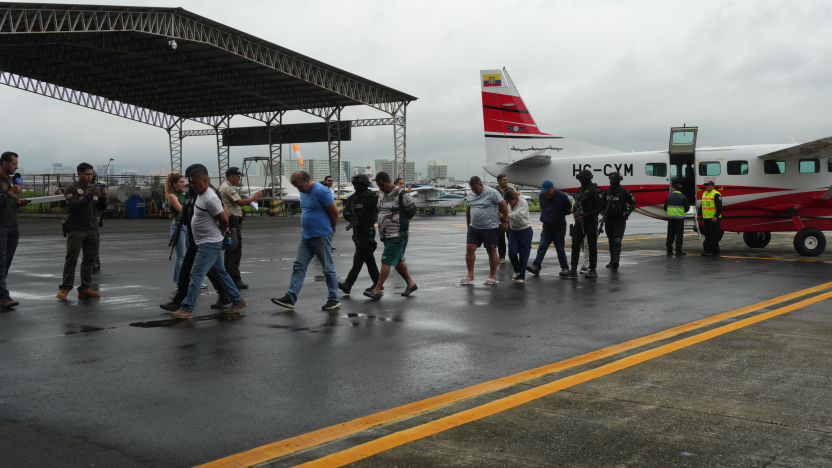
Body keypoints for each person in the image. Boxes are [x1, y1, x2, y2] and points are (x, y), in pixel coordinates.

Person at [169, 168, 246, 320]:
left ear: (205, 181)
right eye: (190, 183)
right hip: (206, 241)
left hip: (209, 243)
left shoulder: (210, 197)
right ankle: (238, 300)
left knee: (195, 275)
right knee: (222, 274)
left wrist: (223, 232)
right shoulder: (201, 195)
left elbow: (224, 218)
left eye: (195, 183)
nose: (192, 186)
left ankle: (186, 308)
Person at [160, 164, 232, 312]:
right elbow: (186, 211)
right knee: (214, 270)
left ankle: (181, 302)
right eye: (188, 180)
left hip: (206, 238)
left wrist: (223, 231)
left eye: (192, 180)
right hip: (195, 235)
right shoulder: (192, 193)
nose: (189, 184)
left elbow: (223, 210)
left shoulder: (209, 192)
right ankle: (229, 295)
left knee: (189, 269)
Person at [271, 171, 341, 310]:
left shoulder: (322, 192)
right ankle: (290, 297)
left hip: (321, 236)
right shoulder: (304, 191)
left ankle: (334, 299)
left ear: (307, 180)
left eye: (300, 186)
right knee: (298, 266)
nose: (299, 189)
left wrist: (332, 228)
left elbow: (334, 212)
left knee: (327, 269)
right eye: (296, 187)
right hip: (306, 236)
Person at [57, 162, 108, 300]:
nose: (89, 177)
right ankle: (65, 288)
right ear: (79, 174)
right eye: (87, 174)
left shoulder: (94, 188)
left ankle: (85, 287)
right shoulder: (71, 188)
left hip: (92, 228)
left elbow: (101, 207)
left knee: (90, 260)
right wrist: (90, 195)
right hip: (77, 229)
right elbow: (75, 206)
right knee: (71, 259)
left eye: (91, 174)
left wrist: (103, 196)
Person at [363, 172, 417, 299]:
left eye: (382, 185)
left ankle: (376, 290)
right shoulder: (381, 193)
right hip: (386, 235)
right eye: (378, 186)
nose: (380, 188)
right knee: (397, 261)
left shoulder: (401, 193)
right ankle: (411, 284)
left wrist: (403, 222)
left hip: (397, 234)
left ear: (388, 181)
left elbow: (413, 210)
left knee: (386, 260)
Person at [218, 167, 262, 290]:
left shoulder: (225, 187)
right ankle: (235, 278)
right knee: (235, 249)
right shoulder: (228, 188)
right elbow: (240, 202)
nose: (239, 179)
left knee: (230, 249)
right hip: (233, 221)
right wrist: (255, 196)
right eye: (238, 176)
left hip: (231, 221)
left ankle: (228, 276)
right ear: (232, 176)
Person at [462, 176, 508, 285]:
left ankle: (493, 276)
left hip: (490, 227)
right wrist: (468, 225)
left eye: (476, 188)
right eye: (473, 189)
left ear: (481, 185)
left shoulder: (492, 192)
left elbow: (504, 206)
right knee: (469, 248)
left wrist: (505, 221)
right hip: (475, 227)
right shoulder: (471, 195)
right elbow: (469, 210)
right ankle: (470, 275)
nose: (475, 191)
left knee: (491, 251)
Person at [339, 174, 380, 295]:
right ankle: (378, 283)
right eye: (355, 184)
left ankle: (348, 284)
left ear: (364, 185)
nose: (356, 186)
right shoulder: (351, 198)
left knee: (359, 257)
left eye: (359, 184)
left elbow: (379, 209)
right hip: (356, 230)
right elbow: (346, 211)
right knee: (368, 258)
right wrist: (348, 215)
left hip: (367, 230)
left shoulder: (372, 197)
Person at [0, 151, 29, 308]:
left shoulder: (10, 180)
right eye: (14, 164)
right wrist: (11, 192)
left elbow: (6, 201)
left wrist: (17, 202)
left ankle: (1, 294)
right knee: (1, 263)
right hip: (1, 227)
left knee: (7, 262)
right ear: (5, 163)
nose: (16, 166)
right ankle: (4, 297)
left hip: (12, 226)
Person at [527, 180, 572, 277]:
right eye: (544, 191)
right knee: (542, 247)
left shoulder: (561, 196)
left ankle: (565, 268)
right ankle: (536, 266)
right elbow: (543, 209)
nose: (546, 193)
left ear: (553, 188)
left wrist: (558, 214)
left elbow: (568, 208)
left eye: (548, 191)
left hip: (559, 227)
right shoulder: (541, 196)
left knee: (560, 249)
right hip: (547, 227)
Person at [569, 169, 604, 279]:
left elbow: (599, 207)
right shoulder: (579, 190)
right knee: (575, 245)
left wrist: (587, 214)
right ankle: (573, 268)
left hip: (591, 221)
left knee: (592, 245)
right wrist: (576, 210)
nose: (580, 181)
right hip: (579, 221)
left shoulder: (595, 190)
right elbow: (576, 204)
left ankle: (592, 269)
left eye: (581, 178)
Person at [602, 172, 636, 270]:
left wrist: (628, 212)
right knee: (611, 241)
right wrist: (602, 212)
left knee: (617, 240)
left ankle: (616, 260)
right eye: (611, 180)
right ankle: (612, 260)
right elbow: (601, 205)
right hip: (608, 220)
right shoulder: (606, 192)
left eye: (614, 180)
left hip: (620, 220)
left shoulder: (624, 192)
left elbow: (633, 203)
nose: (612, 182)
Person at [504, 190, 532, 284]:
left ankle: (521, 276)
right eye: (508, 202)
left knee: (523, 255)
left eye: (511, 202)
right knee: (512, 252)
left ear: (516, 198)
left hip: (525, 230)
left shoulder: (523, 203)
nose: (510, 204)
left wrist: (505, 216)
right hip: (513, 230)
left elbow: (518, 216)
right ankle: (517, 270)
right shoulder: (509, 203)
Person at [165, 172, 187, 285]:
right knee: (181, 256)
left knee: (190, 255)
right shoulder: (172, 196)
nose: (184, 184)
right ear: (174, 184)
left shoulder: (183, 194)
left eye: (184, 181)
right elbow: (181, 210)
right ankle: (180, 281)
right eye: (181, 182)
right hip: (179, 226)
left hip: (188, 225)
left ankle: (190, 280)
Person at [664, 182, 690, 256]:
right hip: (680, 219)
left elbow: (665, 208)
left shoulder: (669, 197)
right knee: (679, 235)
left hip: (671, 218)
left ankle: (669, 250)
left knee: (670, 234)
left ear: (674, 189)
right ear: (680, 189)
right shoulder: (683, 197)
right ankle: (678, 250)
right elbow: (687, 208)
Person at [700, 180, 722, 256]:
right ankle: (707, 250)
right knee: (707, 235)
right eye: (706, 185)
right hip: (706, 218)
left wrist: (716, 216)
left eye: (708, 185)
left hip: (713, 219)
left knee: (714, 236)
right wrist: (699, 215)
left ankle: (715, 251)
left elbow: (719, 207)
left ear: (713, 186)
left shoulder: (716, 194)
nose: (706, 187)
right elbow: (701, 205)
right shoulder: (704, 194)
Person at [495, 174, 512, 264]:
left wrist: (506, 215)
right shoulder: (494, 191)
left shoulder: (510, 190)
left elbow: (514, 204)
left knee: (511, 238)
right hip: (497, 218)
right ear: (498, 181)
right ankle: (502, 256)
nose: (506, 181)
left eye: (506, 180)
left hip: (509, 218)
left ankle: (512, 255)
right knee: (500, 239)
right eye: (504, 180)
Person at [395, 177, 413, 260]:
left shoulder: (404, 194)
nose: (402, 185)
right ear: (396, 184)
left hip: (404, 220)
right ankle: (400, 256)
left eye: (403, 184)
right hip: (397, 222)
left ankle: (401, 255)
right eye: (400, 184)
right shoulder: (396, 194)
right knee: (400, 240)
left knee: (406, 238)